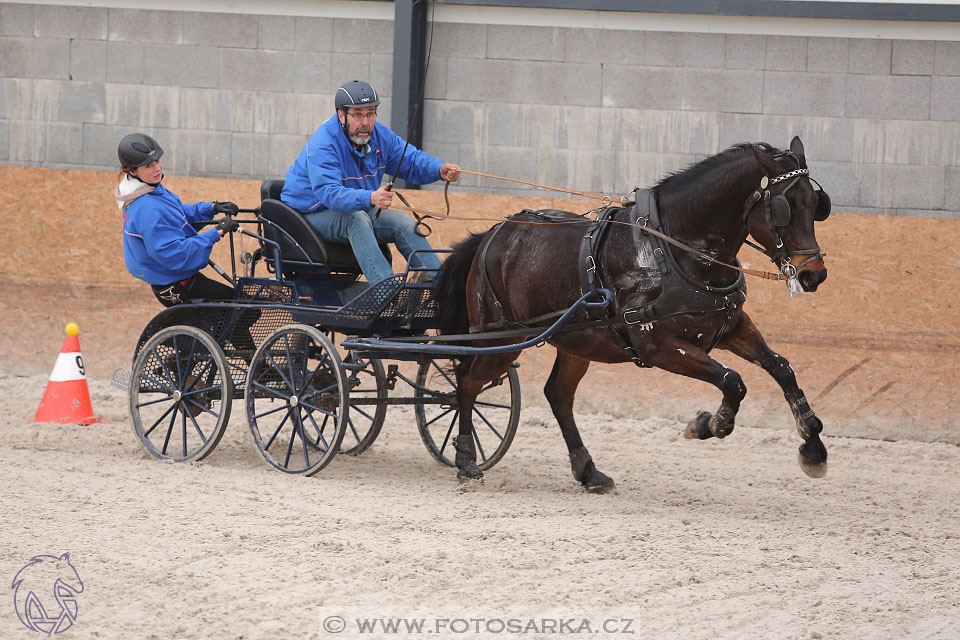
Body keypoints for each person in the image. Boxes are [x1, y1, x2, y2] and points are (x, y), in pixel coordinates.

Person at [281, 80, 460, 283]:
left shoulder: (380, 136)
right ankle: (387, 293)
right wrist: (371, 197)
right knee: (355, 220)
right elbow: (329, 193)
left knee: (402, 222)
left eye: (370, 113)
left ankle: (443, 286)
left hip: (357, 206)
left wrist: (438, 169)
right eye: (358, 115)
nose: (365, 122)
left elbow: (409, 159)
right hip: (310, 213)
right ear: (342, 115)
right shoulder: (323, 143)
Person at [116, 132, 256, 356]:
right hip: (173, 283)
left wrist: (211, 208)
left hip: (180, 277)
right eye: (148, 166)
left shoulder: (150, 189)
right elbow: (174, 252)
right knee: (238, 310)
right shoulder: (146, 207)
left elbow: (178, 215)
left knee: (238, 311)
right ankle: (197, 361)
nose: (156, 168)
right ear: (132, 171)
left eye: (157, 161)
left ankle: (205, 359)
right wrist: (216, 232)